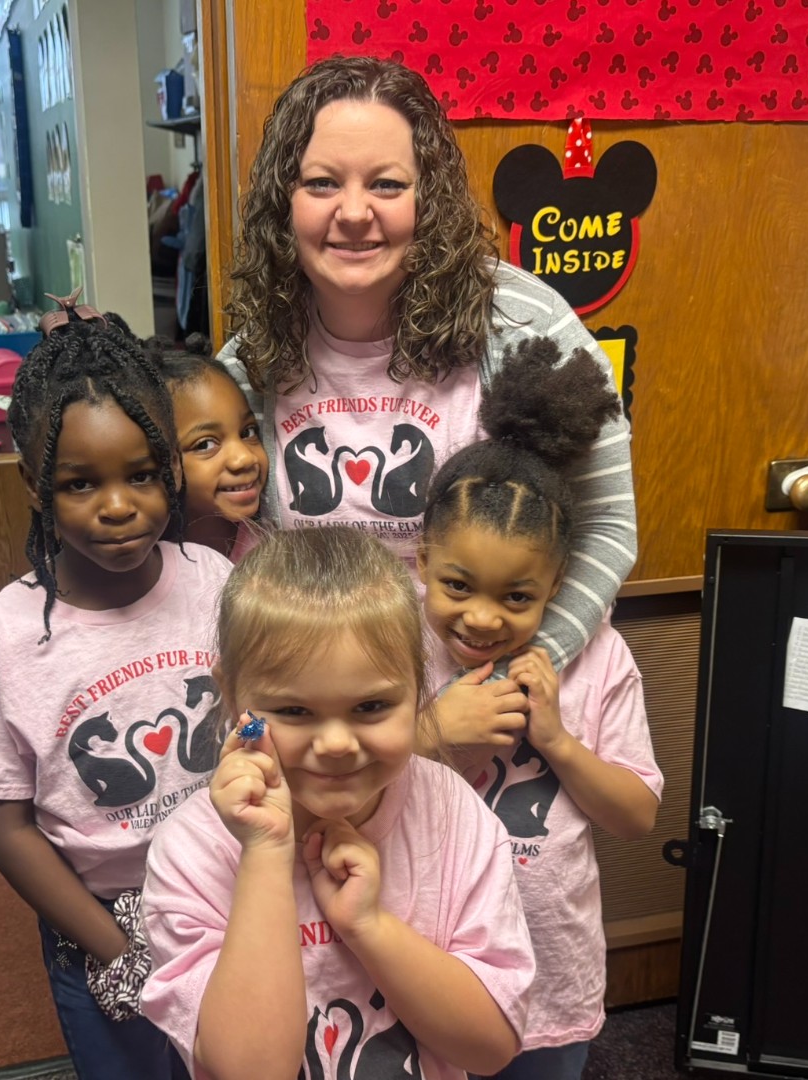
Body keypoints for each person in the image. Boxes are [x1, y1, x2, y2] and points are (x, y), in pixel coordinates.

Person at [219, 54, 636, 678]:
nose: (354, 212)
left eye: (386, 184)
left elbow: (606, 524)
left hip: (499, 709)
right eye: (322, 183)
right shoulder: (249, 362)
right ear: (284, 202)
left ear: (429, 198)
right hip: (329, 714)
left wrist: (514, 679)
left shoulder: (528, 325)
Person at [0, 294, 232, 1080]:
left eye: (143, 474)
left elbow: (255, 727)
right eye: (79, 485)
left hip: (232, 899)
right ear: (34, 483)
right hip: (101, 924)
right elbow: (5, 824)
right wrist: (121, 950)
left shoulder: (214, 584)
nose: (118, 507)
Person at [139, 526, 537, 1080]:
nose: (335, 745)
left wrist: (369, 926)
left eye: (372, 705)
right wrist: (265, 854)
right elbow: (251, 1071)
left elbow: (491, 1047)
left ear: (420, 689)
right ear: (232, 696)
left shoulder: (454, 815)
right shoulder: (193, 850)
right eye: (295, 711)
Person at [416, 336, 664, 1080]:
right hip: (429, 959)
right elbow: (338, 774)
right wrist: (431, 732)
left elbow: (636, 817)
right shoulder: (392, 641)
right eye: (457, 585)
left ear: (555, 586)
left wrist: (556, 739)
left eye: (517, 597)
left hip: (552, 965)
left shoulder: (596, 660)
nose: (483, 619)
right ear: (421, 562)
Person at [157, 334, 269, 560]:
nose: (244, 458)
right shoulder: (150, 565)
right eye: (206, 444)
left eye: (248, 432)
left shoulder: (271, 553)